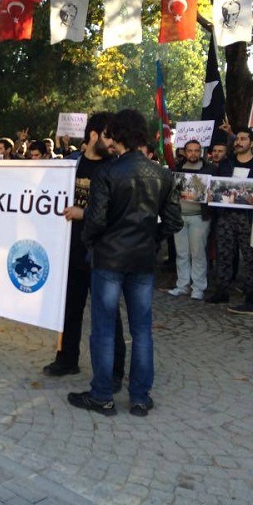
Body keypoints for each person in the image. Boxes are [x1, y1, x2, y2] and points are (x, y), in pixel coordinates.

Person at [68, 109, 182, 417]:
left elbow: (96, 219)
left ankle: (102, 395)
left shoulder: (108, 172)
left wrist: (91, 242)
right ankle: (140, 397)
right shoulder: (163, 174)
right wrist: (151, 240)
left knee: (104, 328)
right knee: (142, 329)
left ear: (117, 135)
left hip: (108, 259)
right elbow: (173, 221)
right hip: (142, 259)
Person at [42, 113, 126, 389]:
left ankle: (113, 372)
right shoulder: (69, 164)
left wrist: (84, 213)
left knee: (108, 313)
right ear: (93, 135)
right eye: (108, 135)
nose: (113, 141)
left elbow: (117, 211)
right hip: (70, 250)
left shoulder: (116, 169)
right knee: (69, 308)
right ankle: (67, 359)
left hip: (102, 254)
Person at [206, 128, 253, 311]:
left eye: (243, 139)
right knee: (224, 252)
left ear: (251, 143)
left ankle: (250, 295)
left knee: (249, 256)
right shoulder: (226, 163)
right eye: (237, 139)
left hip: (248, 218)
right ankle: (222, 291)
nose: (238, 142)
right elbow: (217, 186)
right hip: (226, 214)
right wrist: (212, 194)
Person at [166, 140, 215, 300]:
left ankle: (198, 288)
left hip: (199, 217)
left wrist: (212, 196)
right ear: (184, 152)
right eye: (190, 150)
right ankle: (182, 285)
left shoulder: (209, 169)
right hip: (180, 216)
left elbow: (217, 191)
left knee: (198, 253)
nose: (193, 153)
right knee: (181, 253)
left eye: (196, 150)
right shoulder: (177, 168)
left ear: (200, 152)